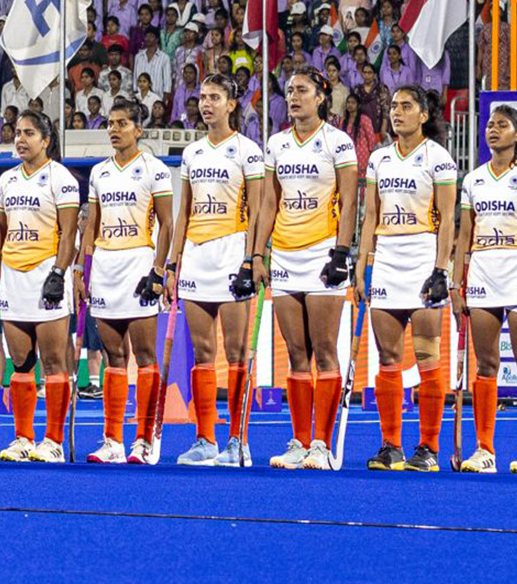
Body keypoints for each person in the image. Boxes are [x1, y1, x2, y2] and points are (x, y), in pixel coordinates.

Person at [260, 68, 357, 469]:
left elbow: (350, 199)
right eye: (289, 91)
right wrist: (256, 254)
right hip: (284, 252)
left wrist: (342, 251)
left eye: (302, 90)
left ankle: (322, 443)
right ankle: (299, 441)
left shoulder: (338, 142)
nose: (294, 97)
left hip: (322, 252)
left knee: (324, 350)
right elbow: (268, 203)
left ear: (321, 96)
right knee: (296, 352)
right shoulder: (277, 143)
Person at [360, 84, 458, 471]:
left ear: (424, 114)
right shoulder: (379, 159)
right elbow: (370, 216)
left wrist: (441, 268)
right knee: (387, 357)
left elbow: (448, 218)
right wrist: (362, 266)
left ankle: (428, 448)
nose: (397, 113)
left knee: (428, 355)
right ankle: (391, 446)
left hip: (422, 258)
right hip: (386, 258)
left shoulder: (439, 158)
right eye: (394, 107)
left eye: (406, 106)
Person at [169, 75, 265, 466]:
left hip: (232, 253)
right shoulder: (191, 153)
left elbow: (258, 209)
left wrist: (253, 257)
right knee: (204, 352)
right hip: (196, 256)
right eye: (202, 97)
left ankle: (237, 440)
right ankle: (205, 439)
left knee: (238, 351)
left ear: (232, 104)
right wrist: (172, 263)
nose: (206, 104)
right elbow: (184, 210)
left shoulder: (248, 150)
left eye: (215, 98)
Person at [456, 105, 517, 474]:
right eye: (490, 125)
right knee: (487, 364)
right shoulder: (473, 179)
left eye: (502, 125)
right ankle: (484, 450)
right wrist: (455, 283)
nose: (493, 130)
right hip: (482, 272)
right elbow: (465, 235)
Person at [81, 98, 174, 464]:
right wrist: (82, 272)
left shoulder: (155, 169)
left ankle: (144, 439)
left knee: (145, 356)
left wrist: (159, 269)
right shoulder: (99, 172)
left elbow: (167, 222)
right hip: (105, 267)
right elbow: (91, 226)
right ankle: (112, 440)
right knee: (113, 356)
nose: (114, 130)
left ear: (139, 129)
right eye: (110, 123)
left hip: (138, 263)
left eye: (122, 123)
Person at [0, 111, 81, 463]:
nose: (20, 139)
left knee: (55, 362)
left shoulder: (62, 178)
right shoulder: (8, 180)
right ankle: (23, 438)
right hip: (13, 276)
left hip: (47, 276)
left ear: (46, 140)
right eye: (16, 133)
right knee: (21, 362)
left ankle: (53, 440)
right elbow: (0, 230)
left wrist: (59, 272)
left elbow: (69, 232)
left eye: (28, 133)